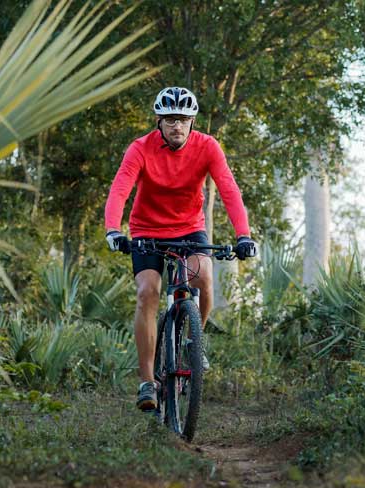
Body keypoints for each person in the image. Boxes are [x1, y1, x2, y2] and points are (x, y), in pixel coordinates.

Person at [104, 86, 257, 411]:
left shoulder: (207, 147)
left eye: (183, 120)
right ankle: (147, 381)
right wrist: (113, 229)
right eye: (171, 119)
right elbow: (121, 187)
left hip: (189, 228)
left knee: (202, 276)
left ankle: (193, 340)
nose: (177, 126)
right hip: (147, 230)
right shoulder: (140, 148)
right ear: (159, 121)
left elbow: (228, 189)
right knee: (148, 291)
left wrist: (243, 234)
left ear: (192, 121)